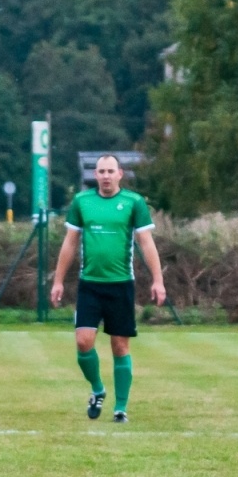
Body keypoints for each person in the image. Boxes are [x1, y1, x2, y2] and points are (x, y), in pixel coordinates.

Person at [49, 155, 165, 422]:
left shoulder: (134, 203)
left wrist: (158, 280)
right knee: (83, 341)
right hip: (90, 285)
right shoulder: (82, 202)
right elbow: (69, 243)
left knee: (120, 347)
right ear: (96, 175)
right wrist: (58, 281)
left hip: (121, 285)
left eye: (110, 171)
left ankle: (120, 408)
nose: (105, 175)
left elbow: (146, 243)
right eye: (101, 171)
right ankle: (98, 389)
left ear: (119, 174)